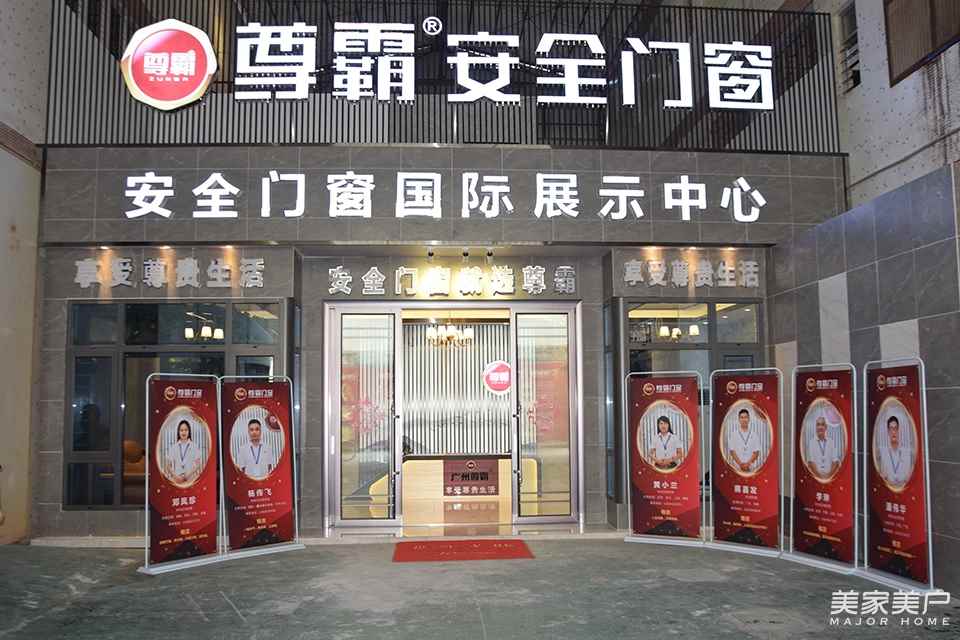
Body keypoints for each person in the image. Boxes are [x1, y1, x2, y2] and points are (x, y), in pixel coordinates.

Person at [876, 415, 913, 489]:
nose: (893, 432)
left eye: (895, 428)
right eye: (891, 428)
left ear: (898, 430)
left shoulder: (907, 453)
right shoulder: (882, 452)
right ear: (888, 431)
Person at [164, 419, 202, 487]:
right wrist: (175, 477)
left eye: (186, 430)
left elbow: (198, 464)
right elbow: (168, 465)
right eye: (181, 430)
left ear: (189, 431)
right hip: (177, 480)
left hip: (190, 480)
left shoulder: (194, 446)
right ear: (178, 432)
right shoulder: (174, 447)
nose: (184, 432)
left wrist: (188, 475)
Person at [728, 407, 762, 474]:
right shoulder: (733, 434)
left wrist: (748, 464)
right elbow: (732, 451)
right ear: (739, 419)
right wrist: (740, 464)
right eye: (742, 417)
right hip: (737, 468)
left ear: (749, 419)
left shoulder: (755, 435)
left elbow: (756, 452)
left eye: (746, 417)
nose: (744, 420)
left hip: (751, 468)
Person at [806, 415, 841, 480]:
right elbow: (811, 463)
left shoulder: (831, 442)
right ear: (816, 427)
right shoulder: (811, 443)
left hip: (830, 478)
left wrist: (828, 476)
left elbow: (835, 461)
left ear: (826, 427)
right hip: (816, 478)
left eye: (822, 424)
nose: (820, 427)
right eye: (818, 424)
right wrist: (820, 477)